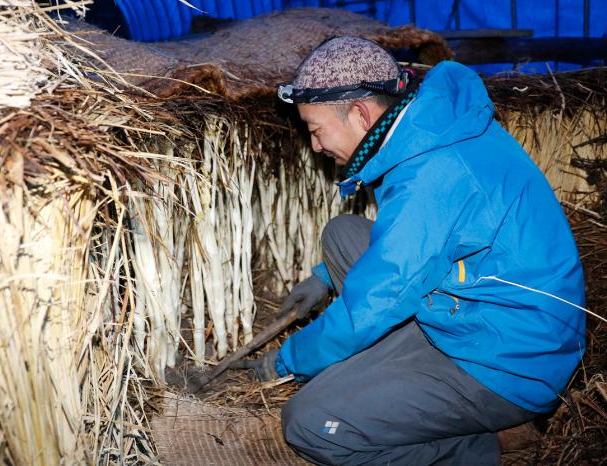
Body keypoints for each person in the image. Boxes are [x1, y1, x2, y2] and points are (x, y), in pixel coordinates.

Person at [235, 37, 586, 465]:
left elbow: (377, 297)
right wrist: (324, 276)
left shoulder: (432, 175)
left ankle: (485, 447)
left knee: (311, 423)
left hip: (508, 359)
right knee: (343, 234)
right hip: (484, 312)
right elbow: (410, 247)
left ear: (361, 114)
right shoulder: (428, 129)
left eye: (315, 130)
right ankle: (387, 364)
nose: (315, 147)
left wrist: (286, 362)